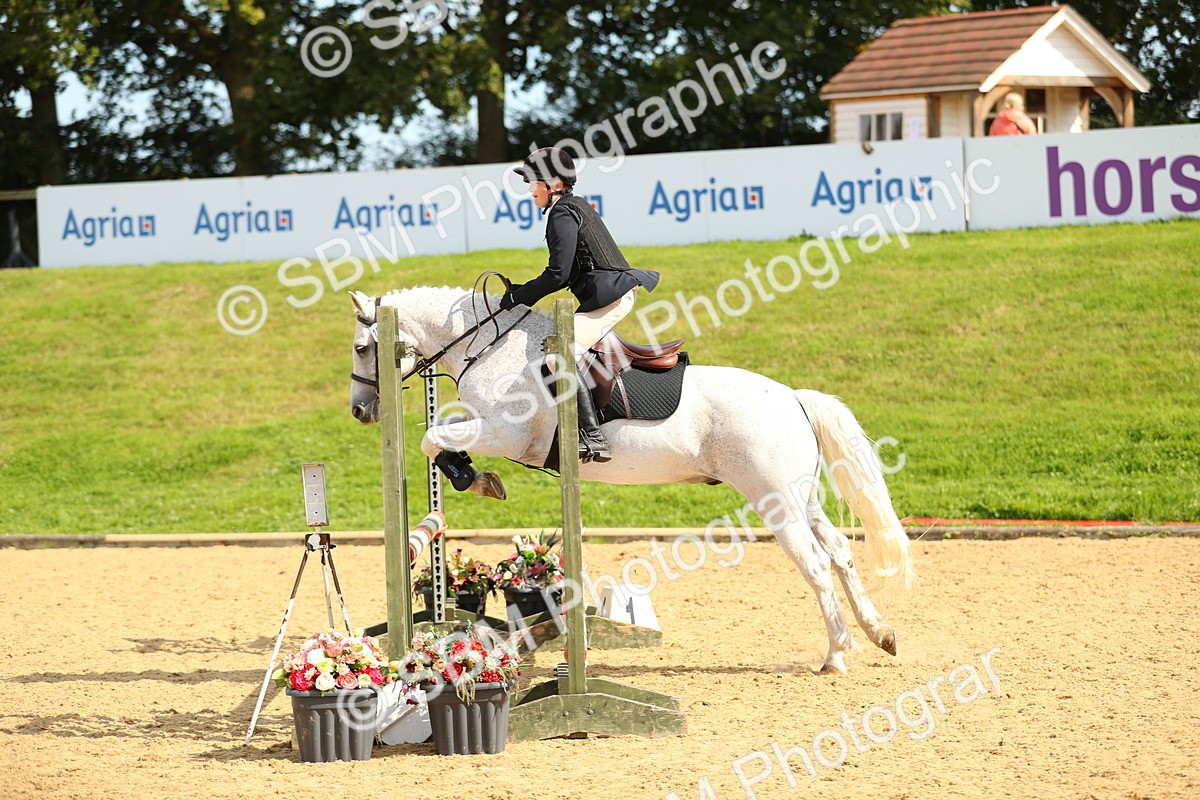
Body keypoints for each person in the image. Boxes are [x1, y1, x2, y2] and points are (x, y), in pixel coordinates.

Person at [500, 146, 660, 464]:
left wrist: (519, 297)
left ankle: (593, 436)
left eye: (534, 183)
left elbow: (557, 274)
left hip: (611, 294)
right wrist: (522, 290)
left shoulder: (562, 211)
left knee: (560, 353)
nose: (531, 191)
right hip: (608, 293)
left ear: (553, 184)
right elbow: (564, 272)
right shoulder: (571, 207)